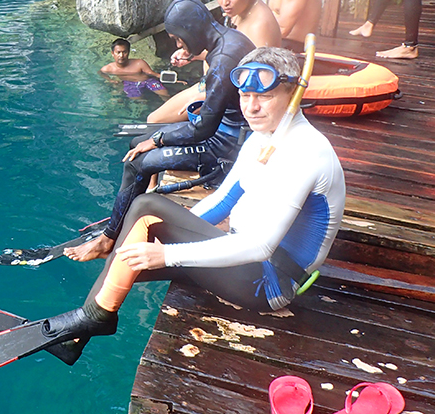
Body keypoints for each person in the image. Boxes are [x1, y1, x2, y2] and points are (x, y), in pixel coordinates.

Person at [40, 47, 345, 353]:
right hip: (241, 260)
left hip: (267, 283)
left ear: (293, 94)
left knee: (147, 207)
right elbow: (222, 202)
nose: (251, 107)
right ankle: (80, 333)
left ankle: (91, 320)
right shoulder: (263, 137)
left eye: (264, 96)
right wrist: (167, 234)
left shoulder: (306, 151)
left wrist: (168, 253)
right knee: (126, 255)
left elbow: (260, 246)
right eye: (245, 95)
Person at [66, 0, 255, 261]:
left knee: (136, 164)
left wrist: (158, 139)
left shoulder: (223, 59)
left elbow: (202, 130)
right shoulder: (230, 39)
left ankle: (107, 240)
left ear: (191, 30)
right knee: (136, 144)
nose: (178, 44)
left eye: (179, 38)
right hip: (233, 130)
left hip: (226, 145)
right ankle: (133, 203)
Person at [149, 0, 281, 124]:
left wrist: (207, 97)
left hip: (223, 92)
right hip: (212, 83)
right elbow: (232, 55)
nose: (225, 2)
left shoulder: (259, 25)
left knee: (154, 120)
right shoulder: (240, 12)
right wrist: (191, 55)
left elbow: (255, 80)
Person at [101, 38, 170, 99]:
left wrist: (169, 78)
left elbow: (152, 73)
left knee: (165, 94)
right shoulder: (109, 68)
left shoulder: (139, 63)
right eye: (118, 52)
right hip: (130, 83)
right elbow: (101, 73)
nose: (121, 55)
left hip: (148, 81)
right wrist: (110, 80)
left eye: (124, 52)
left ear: (128, 52)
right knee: (137, 100)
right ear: (112, 53)